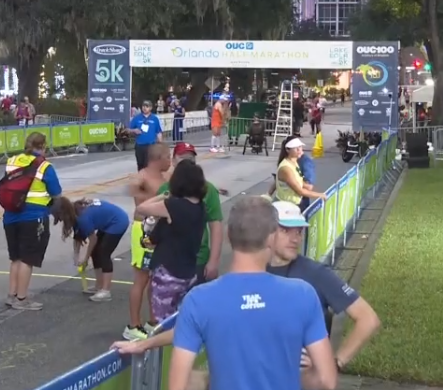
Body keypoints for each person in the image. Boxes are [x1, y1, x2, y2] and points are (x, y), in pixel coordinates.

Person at [163, 197, 338, 390]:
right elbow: (326, 381)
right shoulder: (303, 294)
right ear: (271, 238)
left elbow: (177, 386)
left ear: (229, 236)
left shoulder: (198, 300)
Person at [268, 201, 381, 370]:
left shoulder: (315, 273)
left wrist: (335, 364)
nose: (295, 239)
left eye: (299, 232)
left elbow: (368, 319)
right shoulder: (251, 272)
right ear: (265, 232)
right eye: (285, 230)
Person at [135, 159, 207, 324]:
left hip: (168, 272)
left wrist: (162, 196)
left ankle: (164, 347)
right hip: (188, 271)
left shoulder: (173, 205)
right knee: (182, 317)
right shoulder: (200, 207)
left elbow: (141, 208)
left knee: (162, 321)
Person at [3, 132, 63, 310]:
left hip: (10, 215)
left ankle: (12, 295)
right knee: (27, 259)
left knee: (15, 257)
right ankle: (22, 299)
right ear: (43, 146)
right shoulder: (44, 166)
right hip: (33, 216)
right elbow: (56, 193)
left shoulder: (12, 161)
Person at [156, 143, 224, 285]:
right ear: (173, 161)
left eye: (191, 158)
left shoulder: (208, 189)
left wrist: (213, 262)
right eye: (182, 158)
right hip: (170, 261)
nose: (187, 162)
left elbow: (216, 226)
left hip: (198, 260)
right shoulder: (164, 190)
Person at [124, 143, 171, 340]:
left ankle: (153, 320)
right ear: (158, 158)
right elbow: (141, 206)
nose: (170, 160)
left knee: (155, 277)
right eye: (168, 156)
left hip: (161, 230)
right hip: (144, 229)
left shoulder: (167, 176)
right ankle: (133, 325)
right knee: (142, 278)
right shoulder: (140, 178)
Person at [58, 197, 129, 301]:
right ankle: (99, 286)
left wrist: (85, 259)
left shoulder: (82, 218)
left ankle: (106, 291)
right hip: (107, 222)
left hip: (118, 222)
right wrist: (76, 257)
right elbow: (78, 236)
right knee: (95, 253)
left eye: (59, 216)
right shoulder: (75, 212)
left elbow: (93, 239)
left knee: (104, 253)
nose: (59, 219)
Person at [274, 137, 326, 206]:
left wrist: (306, 185)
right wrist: (320, 195)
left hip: (293, 203)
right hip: (287, 206)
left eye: (300, 147)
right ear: (287, 150)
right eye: (296, 148)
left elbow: (297, 179)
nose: (299, 150)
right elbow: (300, 191)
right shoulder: (286, 169)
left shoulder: (294, 162)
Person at [128, 100, 163, 171]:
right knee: (140, 164)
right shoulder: (137, 118)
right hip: (139, 145)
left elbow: (158, 132)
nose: (144, 108)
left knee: (148, 164)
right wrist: (134, 130)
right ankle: (141, 179)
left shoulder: (154, 119)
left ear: (150, 108)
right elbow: (128, 129)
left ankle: (148, 180)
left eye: (146, 106)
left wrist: (161, 144)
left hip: (151, 146)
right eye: (143, 106)